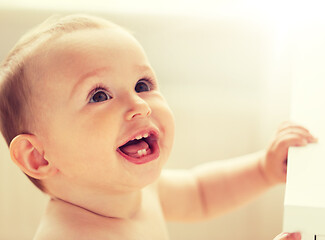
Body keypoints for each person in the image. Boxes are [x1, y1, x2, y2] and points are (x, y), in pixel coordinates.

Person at [0, 14, 315, 240]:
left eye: (142, 84)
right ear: (38, 157)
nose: (140, 105)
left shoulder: (138, 191)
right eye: (99, 95)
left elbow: (200, 194)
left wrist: (263, 169)